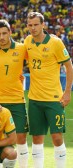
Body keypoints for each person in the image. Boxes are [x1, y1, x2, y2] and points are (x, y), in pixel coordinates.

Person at [24, 12, 73, 168]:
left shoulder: (56, 43)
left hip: (53, 99)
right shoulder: (27, 41)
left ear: (43, 25)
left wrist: (67, 93)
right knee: (37, 138)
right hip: (34, 99)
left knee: (57, 137)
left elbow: (69, 67)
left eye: (36, 24)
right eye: (30, 25)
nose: (33, 28)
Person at [0, 19, 29, 168]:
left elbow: (38, 60)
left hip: (17, 100)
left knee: (21, 138)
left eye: (4, 33)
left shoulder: (22, 48)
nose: (2, 37)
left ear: (10, 32)